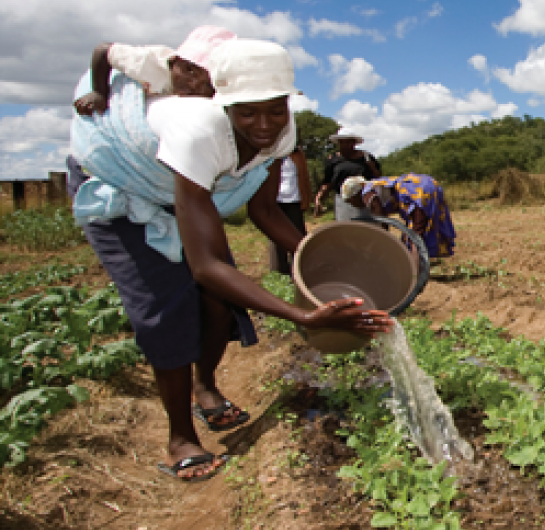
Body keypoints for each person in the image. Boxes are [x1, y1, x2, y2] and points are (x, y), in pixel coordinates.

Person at [72, 39, 391, 483]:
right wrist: (302, 315)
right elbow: (204, 265)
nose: (264, 124)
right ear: (225, 107)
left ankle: (205, 386)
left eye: (275, 109)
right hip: (126, 192)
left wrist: (315, 254)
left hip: (186, 193)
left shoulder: (283, 132)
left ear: (288, 104)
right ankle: (180, 437)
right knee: (165, 311)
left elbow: (263, 209)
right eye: (247, 112)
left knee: (219, 305)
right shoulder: (199, 131)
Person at [73, 25, 237, 117]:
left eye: (208, 84)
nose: (194, 84)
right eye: (189, 70)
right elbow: (103, 50)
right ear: (174, 61)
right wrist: (99, 92)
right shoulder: (147, 64)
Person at [351, 173, 457, 258]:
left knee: (415, 236)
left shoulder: (366, 192)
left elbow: (381, 217)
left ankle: (415, 274)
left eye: (350, 201)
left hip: (418, 191)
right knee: (415, 233)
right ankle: (416, 267)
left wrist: (381, 240)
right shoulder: (374, 185)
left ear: (354, 194)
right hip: (429, 184)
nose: (352, 205)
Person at [313, 128, 380, 222]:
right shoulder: (332, 159)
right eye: (342, 142)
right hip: (343, 200)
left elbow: (378, 178)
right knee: (345, 231)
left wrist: (371, 166)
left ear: (354, 143)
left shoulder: (366, 157)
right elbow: (327, 182)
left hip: (364, 199)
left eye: (348, 142)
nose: (345, 145)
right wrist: (319, 198)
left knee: (366, 230)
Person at [268, 145, 313, 275]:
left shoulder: (298, 154)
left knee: (298, 234)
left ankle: (299, 269)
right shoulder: (270, 153)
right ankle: (280, 270)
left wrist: (306, 199)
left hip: (294, 200)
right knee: (277, 236)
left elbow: (304, 177)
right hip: (276, 201)